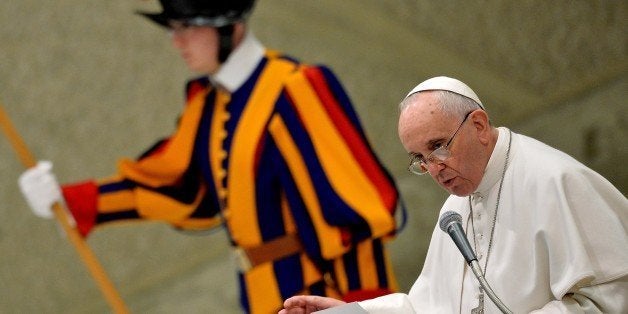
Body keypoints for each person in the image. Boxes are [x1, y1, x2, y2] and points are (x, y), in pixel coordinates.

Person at [17, 1, 403, 313]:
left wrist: (360, 306)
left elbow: (354, 214)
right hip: (260, 298)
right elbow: (183, 191)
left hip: (316, 298)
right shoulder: (208, 104)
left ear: (228, 26)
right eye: (174, 28)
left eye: (188, 27)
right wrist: (70, 201)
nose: (176, 41)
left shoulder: (293, 88)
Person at [280, 76, 628, 313]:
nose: (433, 168)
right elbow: (429, 306)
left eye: (438, 146)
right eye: (420, 158)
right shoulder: (457, 209)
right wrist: (355, 312)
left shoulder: (555, 180)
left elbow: (610, 297)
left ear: (478, 125)